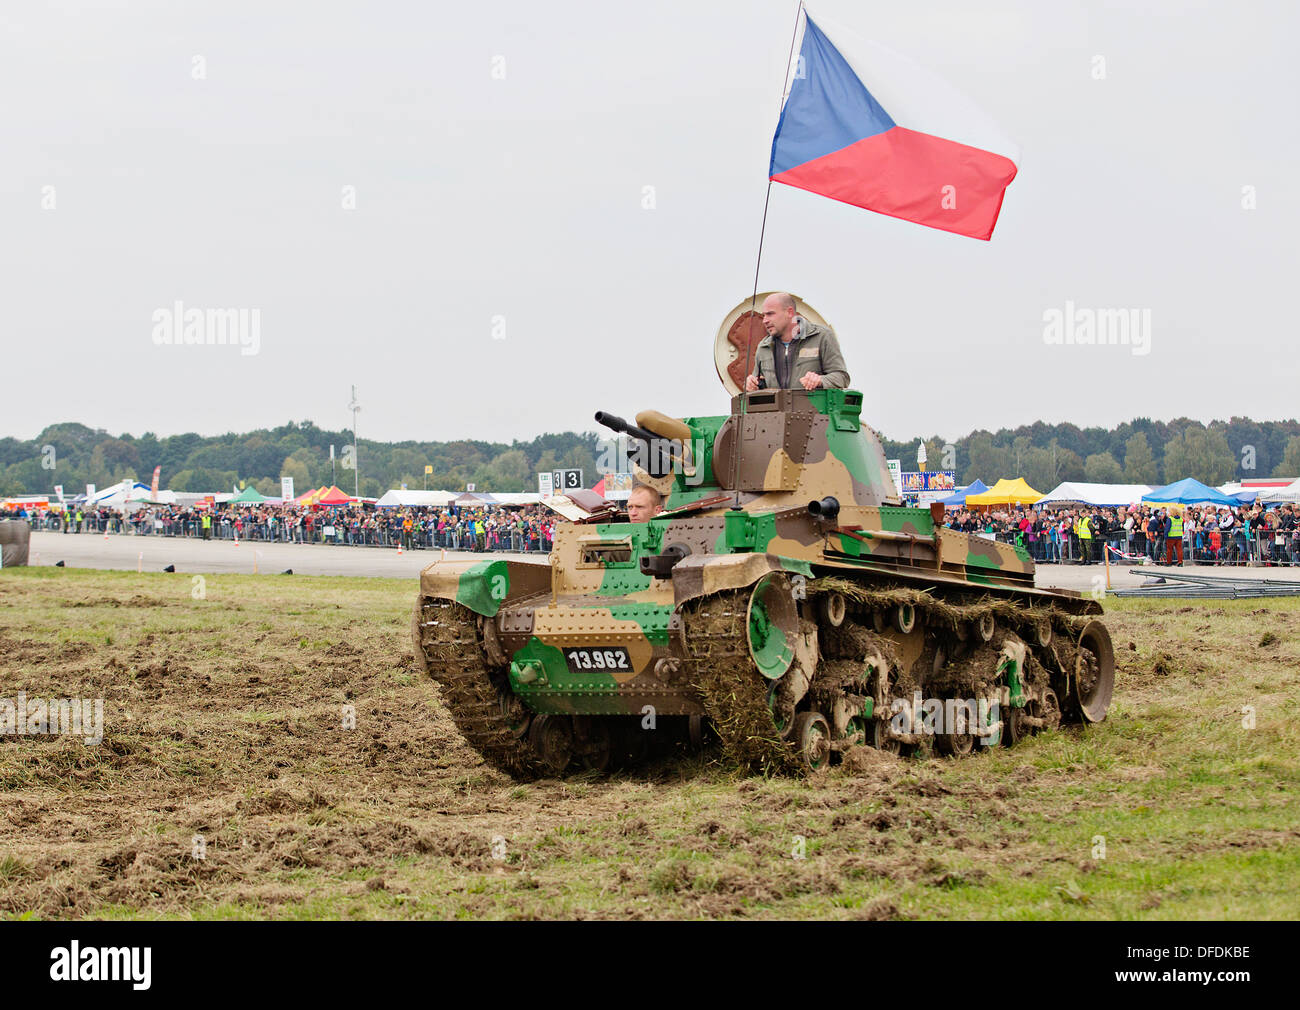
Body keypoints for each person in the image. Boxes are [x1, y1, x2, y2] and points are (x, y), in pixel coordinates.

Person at [744, 292, 850, 392]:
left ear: (789, 312)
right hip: (776, 411)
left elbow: (842, 378)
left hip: (813, 410)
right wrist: (752, 384)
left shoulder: (821, 336)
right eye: (764, 315)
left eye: (770, 314)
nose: (765, 320)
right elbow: (758, 382)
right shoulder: (764, 347)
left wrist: (820, 380)